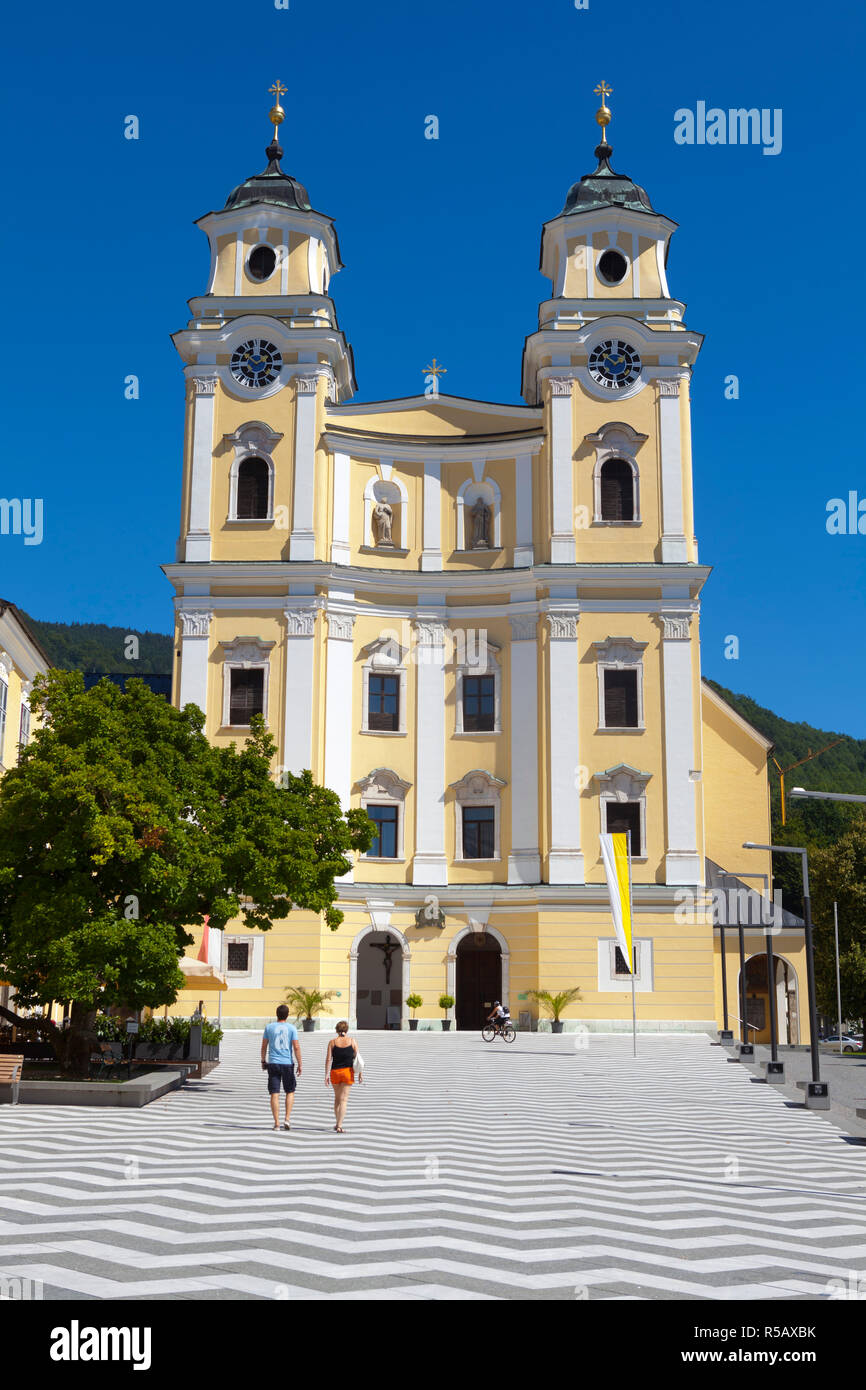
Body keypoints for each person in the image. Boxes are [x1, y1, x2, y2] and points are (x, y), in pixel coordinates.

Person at [261, 1004, 302, 1130]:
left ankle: (277, 1123)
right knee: (290, 1091)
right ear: (287, 1015)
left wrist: (263, 1060)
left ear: (276, 1014)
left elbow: (264, 1046)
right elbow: (296, 1047)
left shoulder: (269, 1027)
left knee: (274, 1093)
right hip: (287, 1063)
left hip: (273, 1063)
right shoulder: (292, 1028)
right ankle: (287, 1119)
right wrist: (300, 1063)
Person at [325, 1020, 362, 1133]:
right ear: (346, 1030)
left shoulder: (332, 1042)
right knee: (344, 1100)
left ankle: (337, 1123)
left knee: (337, 1099)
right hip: (347, 1072)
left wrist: (326, 1075)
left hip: (335, 1072)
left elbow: (328, 1059)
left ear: (337, 1030)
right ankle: (339, 1125)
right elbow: (358, 1058)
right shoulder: (352, 1041)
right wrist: (360, 1073)